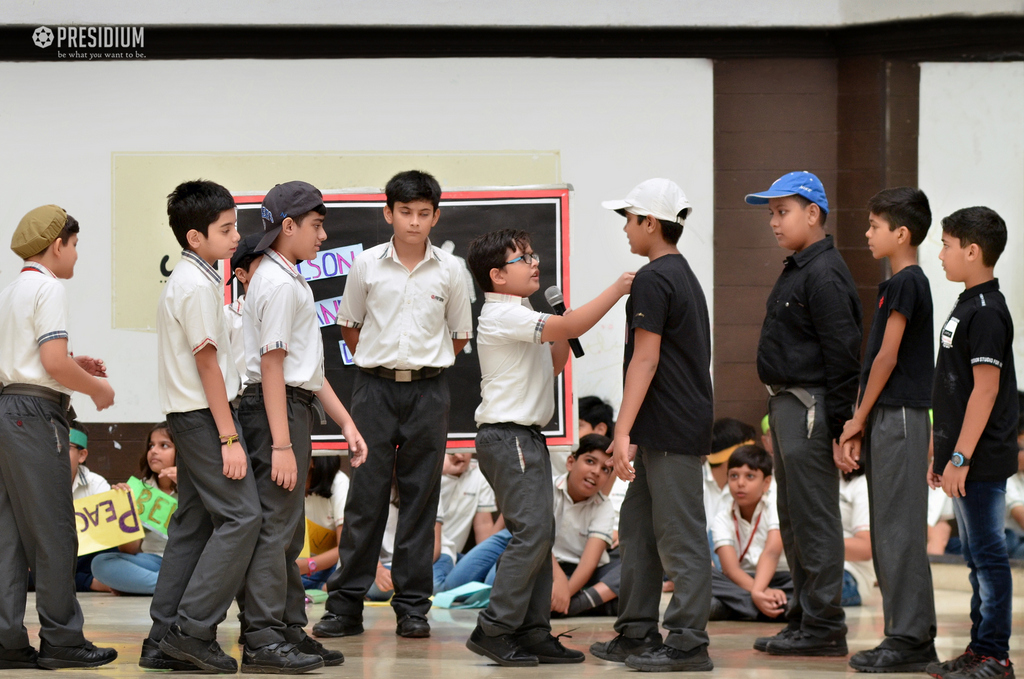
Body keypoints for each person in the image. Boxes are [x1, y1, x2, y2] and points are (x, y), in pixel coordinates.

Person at [463, 227, 633, 667]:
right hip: (508, 436)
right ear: (497, 276)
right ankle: (494, 628)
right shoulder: (502, 314)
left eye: (534, 255)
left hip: (526, 437)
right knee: (533, 532)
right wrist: (618, 289)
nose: (535, 263)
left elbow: (554, 364)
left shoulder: (524, 313)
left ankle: (533, 631)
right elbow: (573, 325)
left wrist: (560, 328)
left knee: (543, 535)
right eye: (524, 259)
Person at [314, 170, 472, 641]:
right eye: (406, 212)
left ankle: (412, 608)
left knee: (421, 500)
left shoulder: (451, 270)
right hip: (373, 390)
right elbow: (349, 325)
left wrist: (422, 362)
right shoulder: (365, 265)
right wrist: (382, 361)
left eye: (424, 214)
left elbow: (460, 336)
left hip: (429, 392)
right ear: (389, 213)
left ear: (436, 217)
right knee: (364, 499)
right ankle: (344, 607)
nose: (415, 222)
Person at [237, 180, 365, 672]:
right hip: (276, 413)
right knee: (274, 530)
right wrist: (283, 445)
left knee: (287, 533)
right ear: (287, 227)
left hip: (292, 407)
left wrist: (347, 423)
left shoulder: (289, 278)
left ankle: (289, 627)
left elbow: (308, 373)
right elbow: (272, 367)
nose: (324, 236)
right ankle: (263, 637)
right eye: (316, 225)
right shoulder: (274, 281)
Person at [590, 178, 715, 673]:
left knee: (680, 535)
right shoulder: (676, 274)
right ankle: (637, 630)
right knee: (638, 530)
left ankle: (687, 642)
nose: (625, 228)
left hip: (671, 428)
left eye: (629, 218)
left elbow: (645, 360)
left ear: (649, 222)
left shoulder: (655, 278)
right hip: (660, 427)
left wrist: (621, 432)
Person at [145, 180, 262, 675]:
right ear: (195, 238)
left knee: (192, 525)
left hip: (192, 416)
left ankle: (160, 638)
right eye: (226, 229)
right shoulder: (194, 285)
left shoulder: (197, 278)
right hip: (204, 418)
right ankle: (192, 631)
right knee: (242, 517)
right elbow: (209, 367)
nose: (236, 236)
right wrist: (229, 435)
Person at [744, 171, 862, 657]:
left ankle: (825, 625)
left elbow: (843, 355)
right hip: (789, 406)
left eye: (782, 211)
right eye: (771, 213)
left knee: (814, 519)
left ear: (813, 213)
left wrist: (840, 429)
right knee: (792, 519)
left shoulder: (825, 272)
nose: (773, 222)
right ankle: (803, 618)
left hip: (812, 409)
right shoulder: (799, 266)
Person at [0, 205, 117, 669]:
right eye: (74, 246)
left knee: (7, 533)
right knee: (54, 530)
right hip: (35, 415)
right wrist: (97, 388)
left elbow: (33, 361)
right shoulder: (49, 287)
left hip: (8, 407)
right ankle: (63, 639)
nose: (75, 256)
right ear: (57, 245)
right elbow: (51, 363)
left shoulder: (11, 290)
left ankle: (7, 641)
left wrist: (73, 366)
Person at [835, 187, 938, 672]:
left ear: (901, 233)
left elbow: (887, 357)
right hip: (885, 415)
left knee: (898, 532)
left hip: (898, 414)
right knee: (888, 531)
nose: (868, 233)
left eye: (875, 226)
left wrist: (857, 417)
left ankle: (911, 638)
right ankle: (904, 634)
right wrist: (861, 420)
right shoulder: (896, 283)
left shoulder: (907, 282)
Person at [926, 206, 1018, 679]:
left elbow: (985, 391)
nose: (940, 254)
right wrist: (939, 455)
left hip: (980, 459)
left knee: (988, 557)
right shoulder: (967, 305)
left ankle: (996, 657)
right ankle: (978, 649)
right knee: (975, 557)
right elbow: (953, 388)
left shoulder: (986, 312)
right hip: (960, 457)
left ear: (972, 250)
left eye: (945, 244)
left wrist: (960, 456)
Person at [91, 423, 178, 595]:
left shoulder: (195, 487)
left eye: (164, 445)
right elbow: (129, 550)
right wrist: (125, 509)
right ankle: (180, 588)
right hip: (152, 561)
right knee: (100, 563)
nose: (154, 451)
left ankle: (150, 586)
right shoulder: (141, 490)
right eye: (151, 446)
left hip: (189, 561)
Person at [709, 445, 792, 622]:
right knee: (704, 573)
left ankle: (737, 608)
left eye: (750, 476)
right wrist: (759, 591)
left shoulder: (776, 506)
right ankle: (778, 608)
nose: (740, 483)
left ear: (766, 483)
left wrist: (758, 591)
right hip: (742, 581)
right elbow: (730, 570)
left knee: (806, 582)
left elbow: (772, 552)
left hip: (782, 579)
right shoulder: (722, 518)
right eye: (734, 476)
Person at [551, 435, 620, 618]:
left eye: (605, 469)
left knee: (634, 568)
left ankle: (570, 606)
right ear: (571, 462)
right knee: (509, 559)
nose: (596, 472)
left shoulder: (604, 507)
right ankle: (594, 604)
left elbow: (589, 564)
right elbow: (536, 541)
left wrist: (566, 593)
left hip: (588, 575)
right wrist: (559, 580)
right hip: (549, 568)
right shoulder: (547, 489)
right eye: (590, 461)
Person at [433, 452, 501, 593]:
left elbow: (484, 526)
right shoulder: (430, 469)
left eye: (465, 449)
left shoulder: (479, 474)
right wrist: (443, 473)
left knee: (493, 579)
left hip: (454, 554)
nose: (459, 455)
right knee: (434, 585)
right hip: (430, 552)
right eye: (452, 451)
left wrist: (483, 562)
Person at [66, 421, 116, 593]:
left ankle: (80, 580)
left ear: (82, 455)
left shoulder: (97, 484)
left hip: (86, 556)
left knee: (105, 559)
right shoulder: (35, 483)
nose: (55, 452)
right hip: (49, 557)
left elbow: (108, 538)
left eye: (64, 446)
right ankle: (88, 582)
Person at [299, 456, 350, 591]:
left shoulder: (339, 482)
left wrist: (305, 566)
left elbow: (344, 548)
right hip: (300, 569)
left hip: (329, 568)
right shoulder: (289, 481)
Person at [224, 233, 265, 396]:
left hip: (285, 401)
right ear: (241, 274)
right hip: (239, 403)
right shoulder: (227, 316)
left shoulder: (286, 308)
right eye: (264, 265)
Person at [838, 467, 873, 607]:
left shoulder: (861, 484)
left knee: (806, 596)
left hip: (848, 572)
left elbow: (866, 548)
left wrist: (811, 543)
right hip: (794, 569)